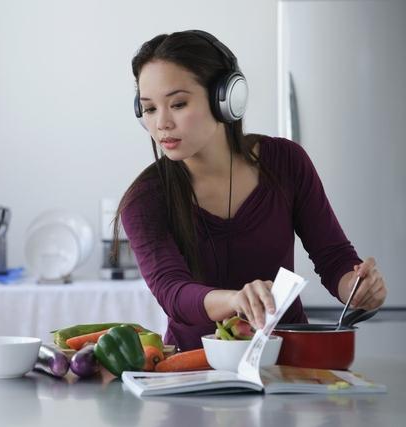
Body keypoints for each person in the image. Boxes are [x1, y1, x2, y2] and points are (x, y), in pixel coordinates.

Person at [112, 30, 387, 351]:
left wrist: (356, 288)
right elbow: (173, 292)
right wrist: (235, 299)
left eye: (178, 103)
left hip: (288, 360)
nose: (162, 123)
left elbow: (333, 257)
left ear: (226, 98)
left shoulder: (286, 161)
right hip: (192, 371)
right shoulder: (144, 199)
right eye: (149, 109)